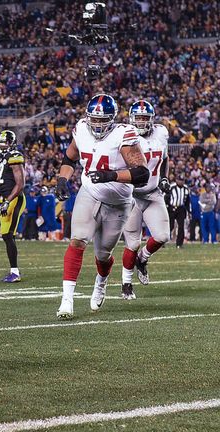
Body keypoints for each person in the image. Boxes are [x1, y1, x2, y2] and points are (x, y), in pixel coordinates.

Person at [55, 94, 149, 319]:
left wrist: (111, 175)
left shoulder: (123, 134)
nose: (97, 125)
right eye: (94, 120)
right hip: (89, 193)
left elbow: (142, 173)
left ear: (112, 118)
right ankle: (66, 300)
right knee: (77, 239)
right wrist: (62, 180)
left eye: (102, 120)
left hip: (118, 203)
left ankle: (101, 282)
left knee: (103, 254)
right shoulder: (81, 129)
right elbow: (69, 159)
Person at [120, 100, 171, 300]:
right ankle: (126, 284)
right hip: (131, 195)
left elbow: (165, 158)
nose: (141, 121)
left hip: (152, 193)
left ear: (151, 119)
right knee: (132, 243)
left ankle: (142, 259)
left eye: (144, 117)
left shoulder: (161, 133)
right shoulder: (124, 136)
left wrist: (165, 177)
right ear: (132, 118)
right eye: (138, 117)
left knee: (162, 236)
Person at [0, 130, 25, 282]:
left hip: (14, 199)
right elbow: (5, 182)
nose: (1, 145)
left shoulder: (14, 156)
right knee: (7, 235)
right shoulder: (3, 158)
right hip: (6, 199)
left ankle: (15, 273)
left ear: (11, 142)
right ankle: (14, 271)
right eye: (0, 141)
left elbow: (20, 184)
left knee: (8, 234)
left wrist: (7, 201)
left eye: (4, 142)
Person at [168, 176, 190, 248]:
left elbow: (187, 201)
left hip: (181, 208)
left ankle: (179, 244)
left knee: (181, 226)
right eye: (179, 180)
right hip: (172, 208)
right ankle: (161, 242)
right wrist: (166, 207)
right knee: (170, 226)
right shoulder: (171, 187)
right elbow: (166, 197)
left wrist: (189, 211)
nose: (181, 182)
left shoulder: (186, 188)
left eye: (182, 180)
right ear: (176, 180)